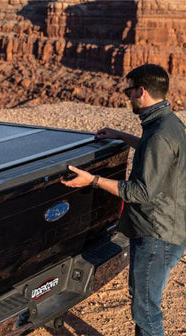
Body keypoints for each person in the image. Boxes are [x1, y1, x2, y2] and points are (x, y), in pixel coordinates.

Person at [61, 64, 186, 336]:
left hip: (157, 233)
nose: (126, 96)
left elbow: (141, 192)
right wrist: (121, 136)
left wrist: (92, 180)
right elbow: (153, 153)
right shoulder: (167, 123)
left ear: (141, 91)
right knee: (144, 299)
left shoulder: (160, 134)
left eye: (128, 90)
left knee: (146, 309)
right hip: (165, 228)